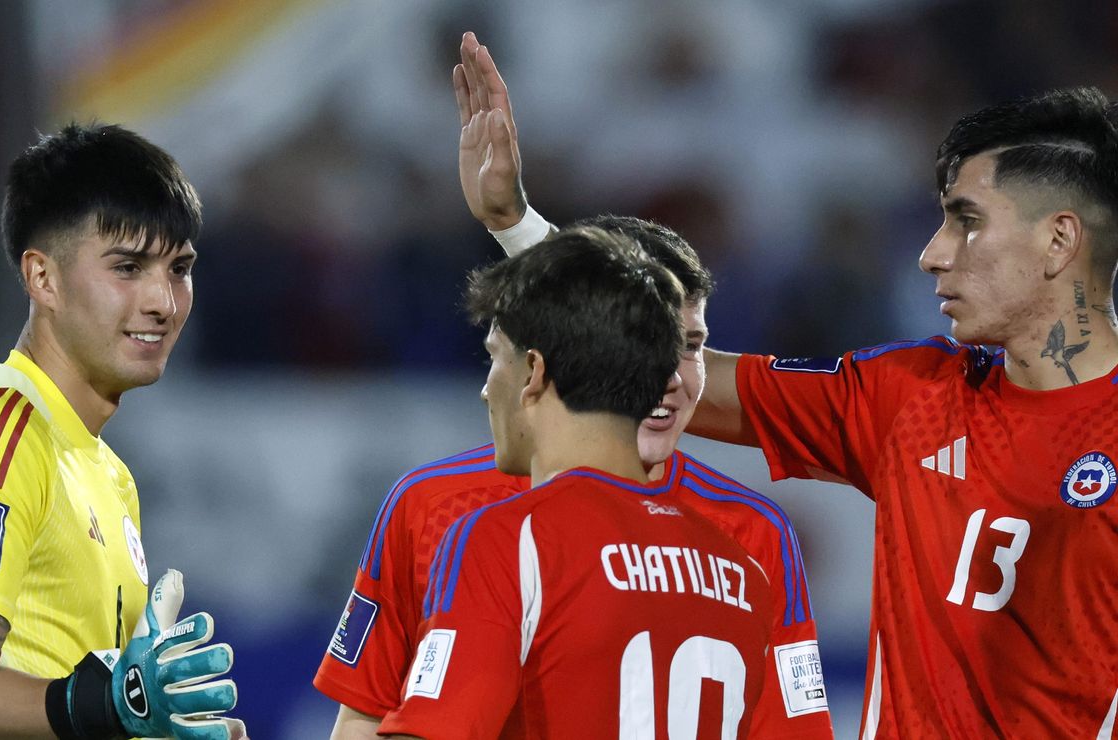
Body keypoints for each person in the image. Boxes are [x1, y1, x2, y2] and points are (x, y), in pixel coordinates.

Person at [455, 31, 1118, 738]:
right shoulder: (912, 398)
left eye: (968, 223)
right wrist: (518, 226)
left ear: (1059, 241)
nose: (932, 255)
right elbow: (667, 369)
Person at [313, 215, 831, 738]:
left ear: (535, 369)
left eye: (692, 345)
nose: (486, 388)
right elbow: (364, 714)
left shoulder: (506, 536)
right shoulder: (734, 560)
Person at [0, 123, 244, 739]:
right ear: (43, 278)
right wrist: (108, 704)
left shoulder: (109, 474)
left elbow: (102, 708)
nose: (163, 302)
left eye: (179, 268)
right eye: (127, 267)